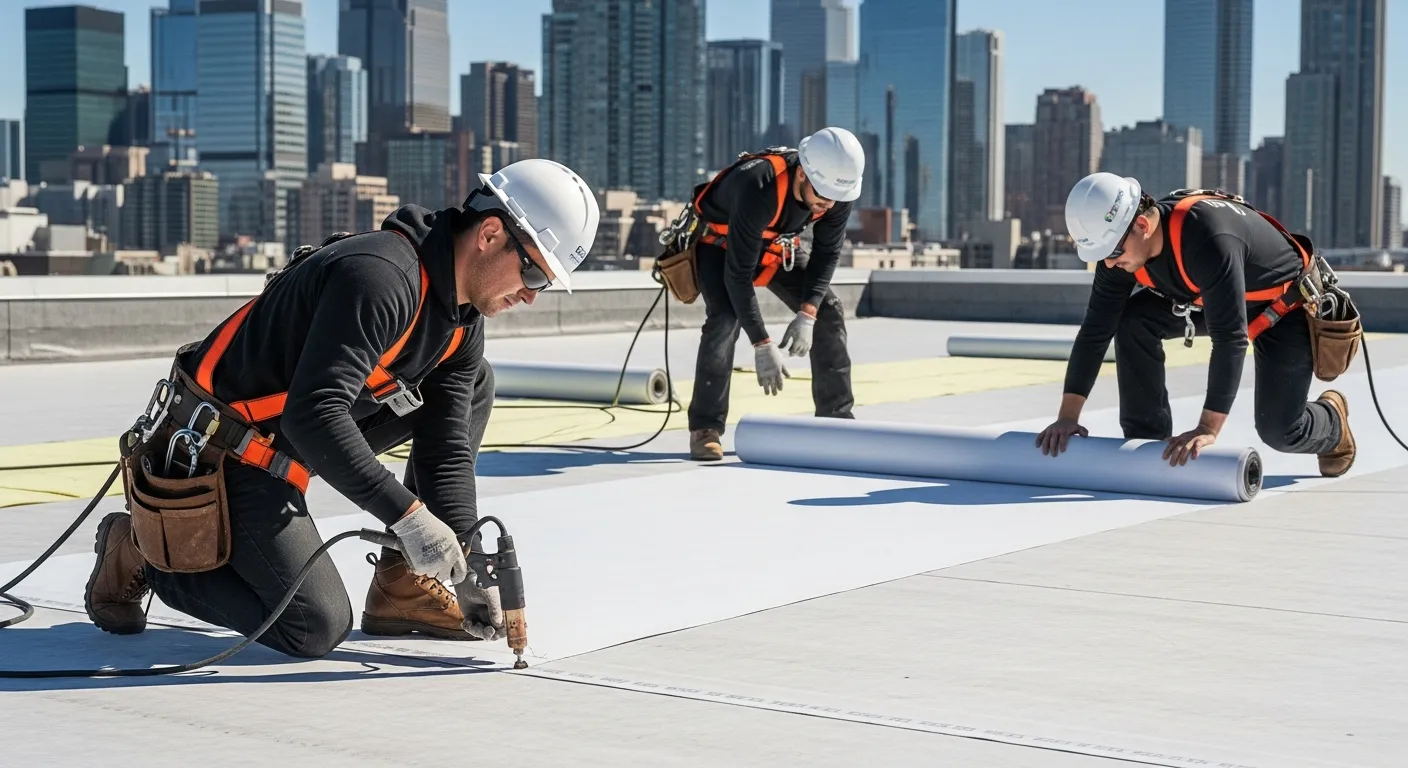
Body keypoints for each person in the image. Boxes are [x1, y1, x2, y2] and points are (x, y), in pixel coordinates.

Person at [82, 158, 600, 658]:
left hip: (298, 435)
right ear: (490, 234)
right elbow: (314, 414)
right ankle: (146, 553)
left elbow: (446, 448)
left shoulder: (462, 320)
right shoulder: (380, 277)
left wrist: (462, 561)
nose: (532, 295)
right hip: (229, 449)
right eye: (533, 274)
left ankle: (406, 584)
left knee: (475, 385)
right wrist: (411, 518)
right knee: (313, 626)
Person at [1036, 172, 1355, 476]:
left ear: (1143, 225)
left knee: (1281, 430)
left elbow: (1230, 337)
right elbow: (1095, 330)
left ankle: (1333, 422)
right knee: (1133, 321)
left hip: (1284, 308)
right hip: (1213, 300)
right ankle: (1147, 442)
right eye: (1101, 254)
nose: (1109, 263)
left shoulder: (1208, 239)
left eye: (1114, 252)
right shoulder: (1120, 252)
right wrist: (1067, 418)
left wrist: (1207, 428)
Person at [686, 126, 865, 462]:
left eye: (834, 198)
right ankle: (705, 428)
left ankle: (837, 421)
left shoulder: (838, 194)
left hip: (775, 247)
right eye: (820, 194)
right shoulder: (759, 186)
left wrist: (808, 313)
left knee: (829, 309)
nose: (826, 204)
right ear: (802, 172)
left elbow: (827, 254)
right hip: (720, 245)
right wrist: (762, 344)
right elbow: (737, 275)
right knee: (725, 318)